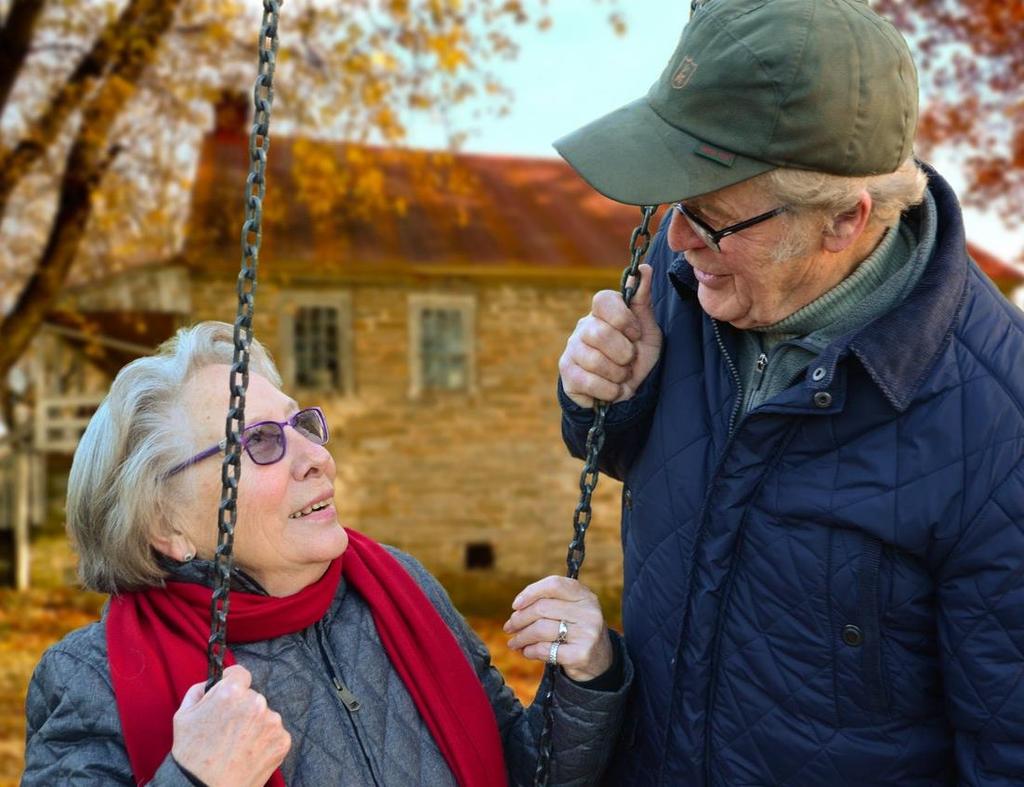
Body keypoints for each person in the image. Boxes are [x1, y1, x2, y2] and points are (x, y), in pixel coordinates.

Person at [554, 0, 1024, 785]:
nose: (677, 238)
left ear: (844, 220)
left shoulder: (999, 430)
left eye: (710, 216)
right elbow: (659, 470)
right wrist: (604, 399)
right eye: (678, 204)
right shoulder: (689, 284)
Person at [23, 321, 630, 786]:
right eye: (259, 442)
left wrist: (583, 679)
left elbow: (520, 770)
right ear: (165, 525)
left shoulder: (400, 589)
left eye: (302, 426)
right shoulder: (91, 677)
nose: (314, 456)